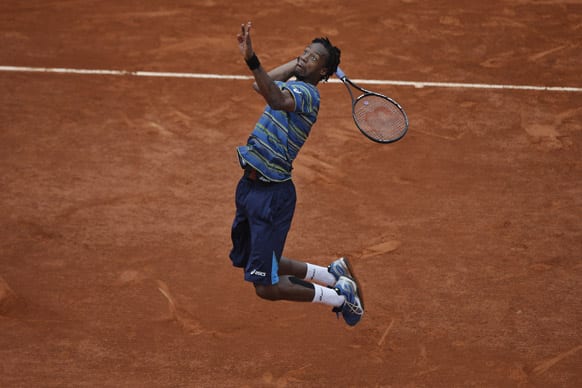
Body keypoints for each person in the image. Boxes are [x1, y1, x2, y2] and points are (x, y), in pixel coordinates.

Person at [229, 22, 364, 326]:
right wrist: (303, 61)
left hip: (271, 194)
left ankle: (341, 297)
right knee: (261, 260)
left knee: (266, 286)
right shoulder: (297, 80)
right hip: (250, 186)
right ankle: (332, 274)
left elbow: (275, 98)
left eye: (313, 58)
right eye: (304, 52)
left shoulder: (307, 95)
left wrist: (252, 59)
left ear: (324, 74)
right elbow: (259, 86)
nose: (304, 57)